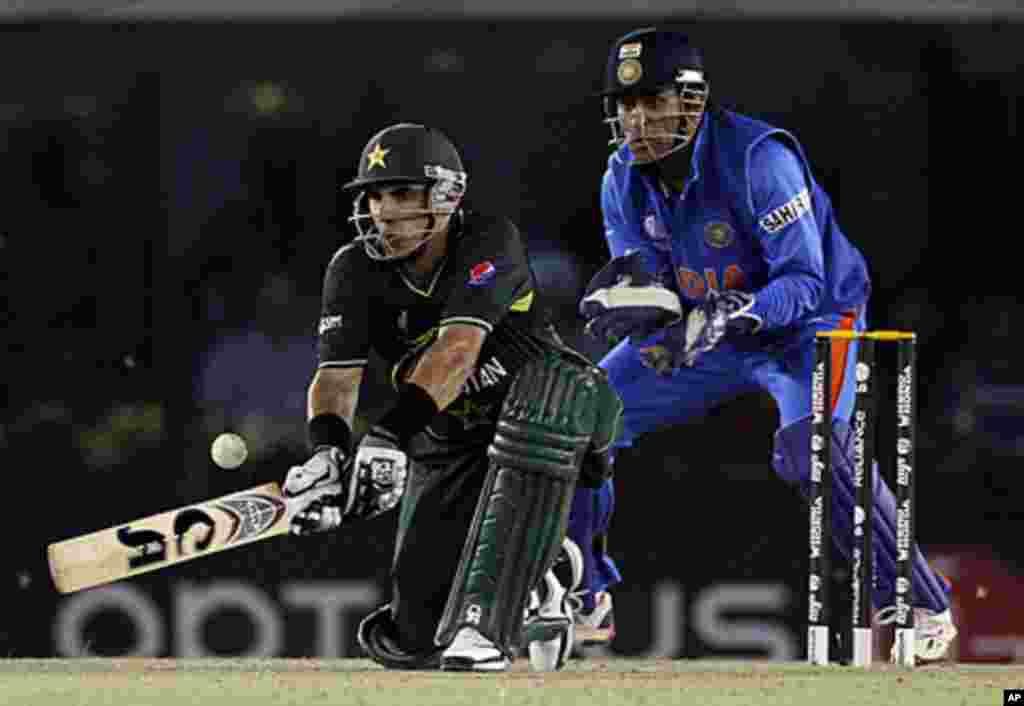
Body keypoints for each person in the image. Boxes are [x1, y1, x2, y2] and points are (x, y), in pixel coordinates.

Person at [578, 27, 957, 664]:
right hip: (706, 329)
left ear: (691, 101)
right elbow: (646, 279)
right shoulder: (621, 177)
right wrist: (627, 303)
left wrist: (740, 311)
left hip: (810, 323)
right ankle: (584, 594)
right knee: (586, 411)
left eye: (652, 102)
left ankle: (925, 603)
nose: (636, 120)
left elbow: (806, 280)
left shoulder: (759, 159)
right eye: (626, 105)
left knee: (812, 450)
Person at [280, 123, 623, 672]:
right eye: (373, 195)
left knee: (545, 404)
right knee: (417, 636)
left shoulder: (489, 238)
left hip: (555, 415)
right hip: (447, 435)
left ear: (446, 196)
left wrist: (389, 435)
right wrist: (328, 452)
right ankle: (543, 577)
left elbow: (457, 353)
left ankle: (493, 619)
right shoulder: (351, 268)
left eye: (400, 193)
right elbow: (336, 381)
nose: (383, 211)